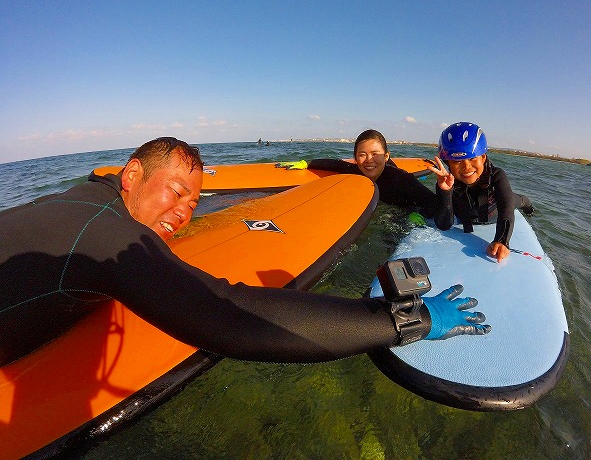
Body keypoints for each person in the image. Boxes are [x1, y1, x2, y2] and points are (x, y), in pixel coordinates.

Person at [0, 137, 491, 368]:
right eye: (175, 192)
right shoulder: (110, 236)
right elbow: (229, 316)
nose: (184, 214)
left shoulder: (68, 203)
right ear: (130, 176)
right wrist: (404, 321)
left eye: (195, 202)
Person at [276, 129, 450, 219]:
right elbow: (336, 164)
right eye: (362, 154)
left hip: (408, 209)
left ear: (386, 155)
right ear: (355, 158)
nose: (368, 160)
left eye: (375, 154)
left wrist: (419, 214)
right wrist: (307, 163)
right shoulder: (355, 170)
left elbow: (434, 203)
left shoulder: (401, 179)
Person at [429, 122, 535, 263]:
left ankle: (530, 208)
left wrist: (501, 240)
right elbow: (444, 225)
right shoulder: (447, 182)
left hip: (497, 208)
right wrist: (445, 191)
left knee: (519, 201)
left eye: (472, 158)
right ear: (448, 163)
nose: (466, 167)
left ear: (483, 157)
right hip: (471, 214)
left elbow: (506, 208)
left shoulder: (497, 175)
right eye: (457, 161)